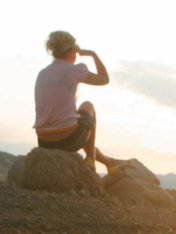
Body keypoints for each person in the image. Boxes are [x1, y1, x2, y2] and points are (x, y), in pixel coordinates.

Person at [33, 31, 122, 172]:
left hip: (43, 141)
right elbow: (104, 79)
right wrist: (93, 54)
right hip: (67, 140)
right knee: (88, 106)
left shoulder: (42, 73)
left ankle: (107, 162)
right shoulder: (74, 70)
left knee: (76, 121)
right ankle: (91, 161)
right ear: (71, 51)